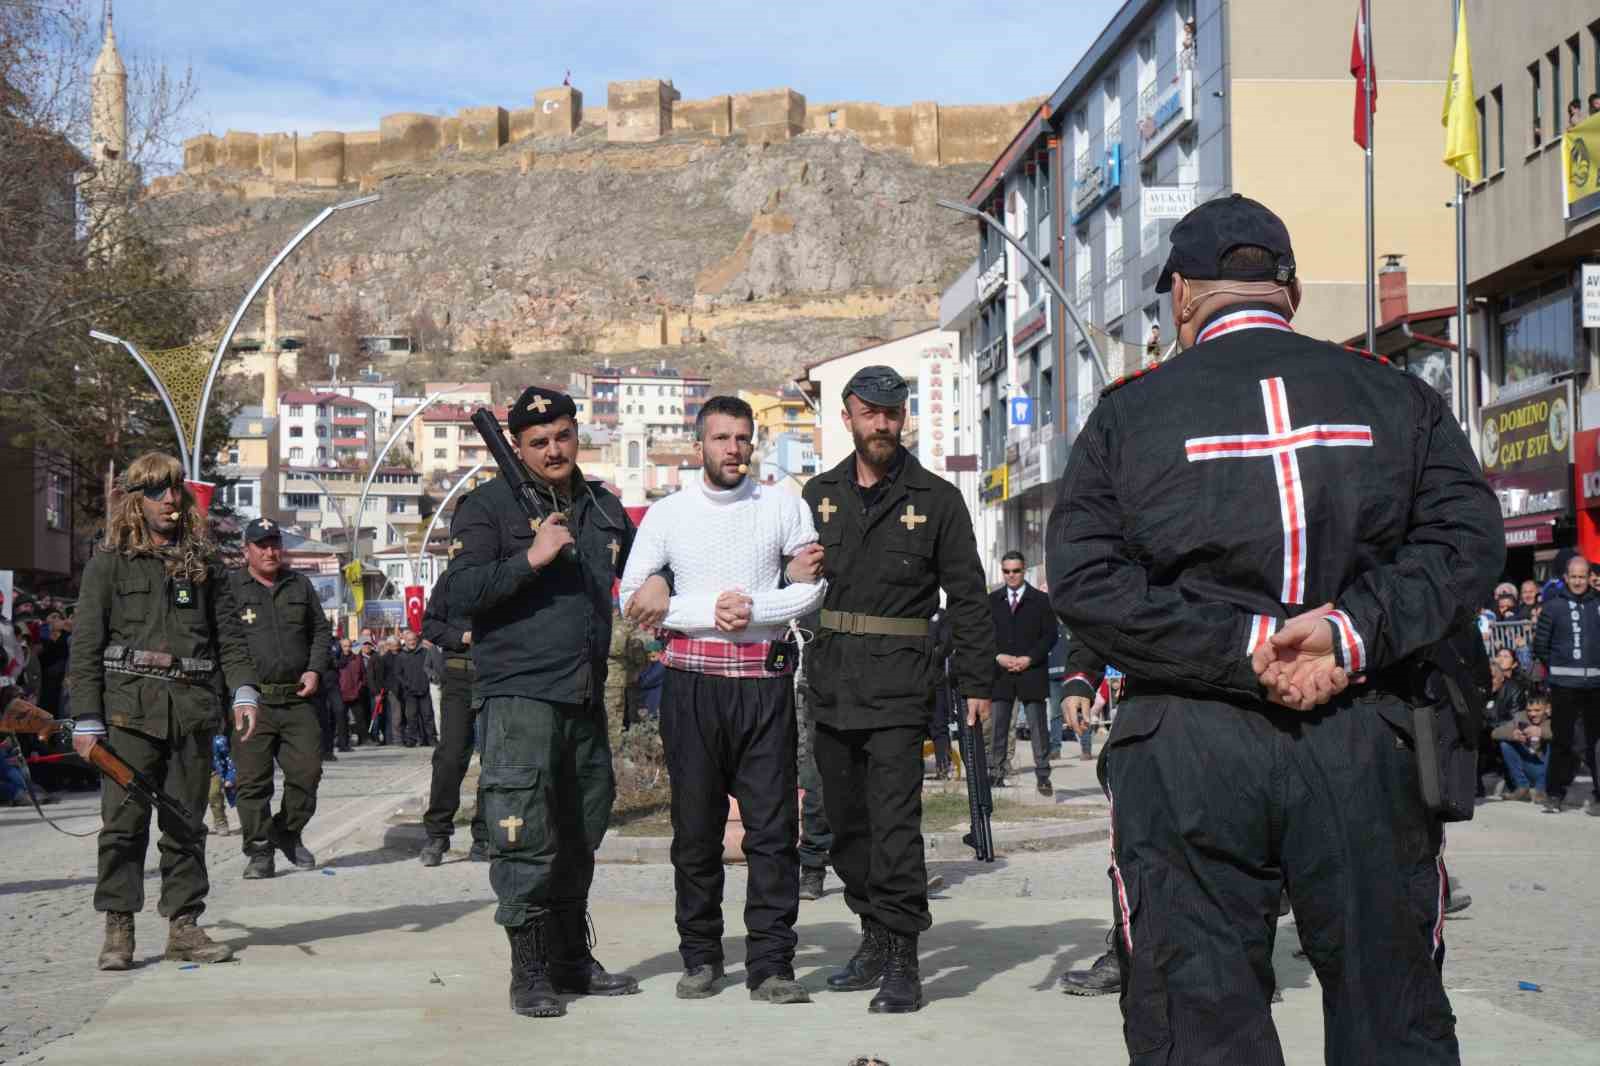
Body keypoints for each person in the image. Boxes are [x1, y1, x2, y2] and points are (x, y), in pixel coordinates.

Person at [1048, 195, 1503, 1065]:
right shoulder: (1396, 394)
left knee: (1199, 1014)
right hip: (1365, 733)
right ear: (1288, 291)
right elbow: (1466, 539)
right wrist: (1349, 633)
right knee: (1391, 1009)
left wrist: (1242, 648)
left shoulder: (1128, 414)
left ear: (1181, 296)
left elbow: (1089, 580)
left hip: (1191, 742)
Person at [450, 384, 653, 1019]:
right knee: (523, 833)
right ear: (518, 445)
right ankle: (529, 970)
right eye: (537, 442)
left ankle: (570, 957)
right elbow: (460, 593)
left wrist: (662, 583)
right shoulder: (486, 508)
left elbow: (648, 563)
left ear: (576, 434)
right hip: (521, 697)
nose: (553, 449)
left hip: (584, 694)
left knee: (580, 829)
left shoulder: (602, 506)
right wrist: (530, 559)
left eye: (562, 435)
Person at [800, 365, 995, 1015]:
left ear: (903, 417)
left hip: (900, 684)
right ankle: (875, 935)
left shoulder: (937, 499)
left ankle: (904, 961)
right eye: (870, 412)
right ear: (848, 416)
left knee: (894, 825)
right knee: (844, 825)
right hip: (831, 682)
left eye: (892, 412)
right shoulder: (817, 495)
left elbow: (968, 596)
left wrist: (975, 681)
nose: (882, 423)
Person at [619, 394, 826, 1003]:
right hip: (692, 687)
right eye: (720, 438)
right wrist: (707, 610)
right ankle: (702, 957)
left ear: (753, 441)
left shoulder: (784, 506)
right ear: (698, 445)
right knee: (695, 830)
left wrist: (755, 609)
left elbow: (811, 590)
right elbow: (633, 598)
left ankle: (771, 964)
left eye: (742, 438)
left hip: (764, 685)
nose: (732, 449)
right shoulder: (668, 515)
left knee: (772, 830)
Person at [68, 452, 261, 970]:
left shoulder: (204, 564)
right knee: (123, 826)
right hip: (128, 714)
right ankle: (118, 927)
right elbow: (85, 647)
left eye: (175, 489)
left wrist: (243, 690)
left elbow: (230, 641)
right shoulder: (108, 563)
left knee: (186, 824)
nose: (170, 500)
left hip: (192, 712)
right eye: (157, 491)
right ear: (136, 499)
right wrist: (86, 719)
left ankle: (183, 924)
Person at [225, 518, 332, 878]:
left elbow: (320, 630)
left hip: (296, 699)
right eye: (261, 545)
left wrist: (315, 668)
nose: (270, 551)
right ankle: (258, 851)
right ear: (247, 550)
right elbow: (223, 642)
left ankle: (286, 831)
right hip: (252, 701)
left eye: (274, 544)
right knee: (252, 781)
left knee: (308, 772)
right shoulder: (230, 589)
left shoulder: (298, 584)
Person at [419, 559, 489, 866]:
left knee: (495, 758)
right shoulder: (450, 579)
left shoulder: (511, 570)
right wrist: (462, 637)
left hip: (497, 677)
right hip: (459, 676)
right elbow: (431, 626)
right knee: (450, 757)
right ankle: (437, 835)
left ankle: (485, 835)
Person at [1530, 555, 1600, 815]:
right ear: (1566, 578)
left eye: (1583, 577)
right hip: (1563, 684)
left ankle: (1599, 796)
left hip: (1596, 683)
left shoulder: (1598, 604)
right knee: (1562, 740)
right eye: (1574, 577)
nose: (1579, 581)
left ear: (1588, 577)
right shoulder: (1553, 606)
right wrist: (1559, 669)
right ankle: (1555, 795)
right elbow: (1541, 645)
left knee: (1596, 742)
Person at [987, 551, 1058, 795]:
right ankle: (995, 773)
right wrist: (998, 656)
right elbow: (985, 635)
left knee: (1038, 727)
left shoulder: (1041, 600)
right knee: (998, 726)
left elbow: (1050, 635)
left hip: (1032, 672)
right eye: (1006, 571)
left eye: (1015, 571)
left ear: (1024, 570)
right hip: (1001, 674)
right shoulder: (992, 600)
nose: (1011, 576)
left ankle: (1043, 776)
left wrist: (1029, 658)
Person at [1494, 686, 1553, 802]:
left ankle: (1540, 790)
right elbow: (1495, 732)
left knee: (1554, 746)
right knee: (1505, 744)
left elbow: (1563, 736)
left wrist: (1541, 732)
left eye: (1537, 710)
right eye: (1529, 710)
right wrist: (1513, 735)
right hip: (1528, 766)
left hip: (1547, 770)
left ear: (1547, 709)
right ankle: (1522, 788)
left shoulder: (1553, 720)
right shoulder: (1521, 717)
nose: (1532, 714)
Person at [393, 630, 433, 747]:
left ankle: (430, 739)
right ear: (405, 641)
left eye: (414, 640)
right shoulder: (401, 656)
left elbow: (430, 667)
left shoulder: (424, 652)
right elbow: (398, 674)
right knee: (411, 717)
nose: (412, 642)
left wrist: (428, 680)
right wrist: (406, 685)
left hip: (424, 690)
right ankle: (412, 740)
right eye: (409, 640)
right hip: (410, 692)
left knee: (428, 716)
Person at [338, 638, 366, 748]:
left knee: (360, 717)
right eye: (345, 646)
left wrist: (359, 688)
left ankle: (363, 739)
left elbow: (363, 675)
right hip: (341, 693)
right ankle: (344, 741)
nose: (347, 648)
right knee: (342, 719)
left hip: (355, 692)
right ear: (341, 647)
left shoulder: (356, 658)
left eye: (349, 646)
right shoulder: (337, 659)